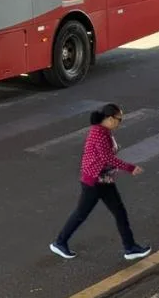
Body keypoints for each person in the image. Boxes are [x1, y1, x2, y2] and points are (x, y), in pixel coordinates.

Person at [50, 104, 151, 261]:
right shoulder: (99, 133)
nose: (120, 122)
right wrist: (130, 168)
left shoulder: (104, 131)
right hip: (95, 181)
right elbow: (107, 158)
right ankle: (60, 242)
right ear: (110, 118)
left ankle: (130, 248)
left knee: (119, 213)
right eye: (119, 119)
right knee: (81, 214)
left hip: (104, 180)